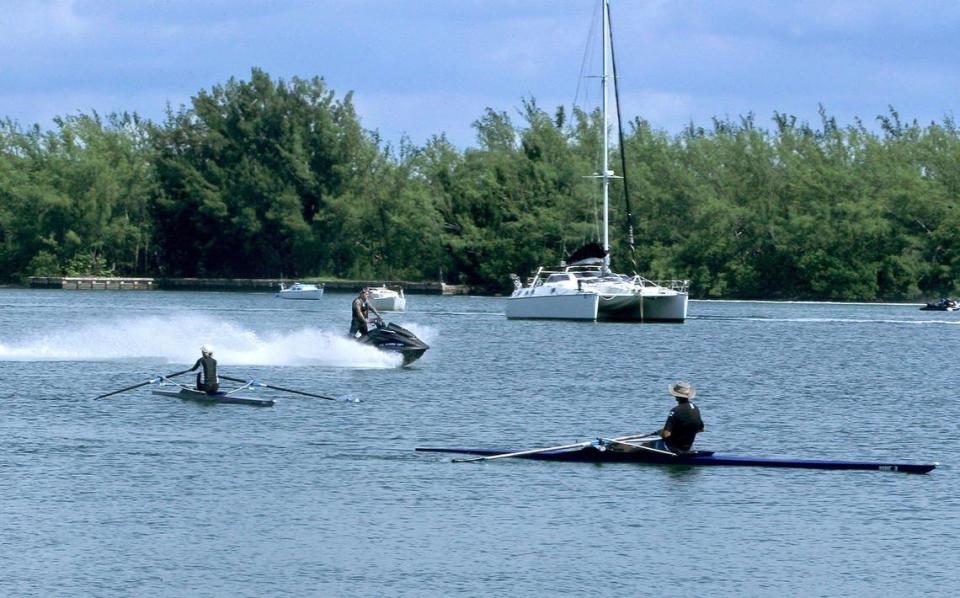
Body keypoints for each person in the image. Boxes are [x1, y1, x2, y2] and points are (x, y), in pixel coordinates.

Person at [649, 381, 704, 453]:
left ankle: (630, 457)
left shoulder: (675, 411)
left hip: (673, 449)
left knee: (647, 444)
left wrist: (661, 432)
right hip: (688, 448)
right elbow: (701, 429)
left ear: (676, 396)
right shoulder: (695, 408)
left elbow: (666, 434)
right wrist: (683, 433)